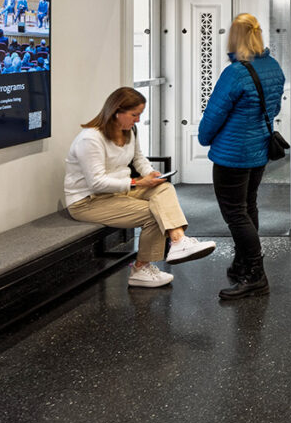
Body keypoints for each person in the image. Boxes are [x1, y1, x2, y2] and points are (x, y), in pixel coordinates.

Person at [65, 87, 216, 288]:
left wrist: (150, 173)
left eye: (140, 115)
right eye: (134, 115)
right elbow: (97, 183)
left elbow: (138, 158)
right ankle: (140, 269)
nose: (137, 120)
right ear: (116, 111)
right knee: (153, 213)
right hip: (88, 202)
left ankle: (178, 241)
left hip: (119, 191)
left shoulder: (129, 131)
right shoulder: (90, 139)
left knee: (164, 189)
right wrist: (137, 183)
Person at [198, 13, 285, 300]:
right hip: (259, 150)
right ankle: (243, 264)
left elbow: (214, 114)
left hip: (232, 154)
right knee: (248, 207)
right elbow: (274, 109)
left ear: (234, 38)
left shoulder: (235, 73)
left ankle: (256, 275)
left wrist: (204, 138)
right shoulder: (273, 67)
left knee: (235, 214)